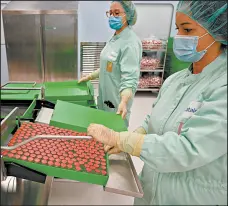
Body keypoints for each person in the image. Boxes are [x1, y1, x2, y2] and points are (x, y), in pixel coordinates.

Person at [87, 1, 227, 205]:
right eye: (178, 29)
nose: (178, 37)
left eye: (187, 30)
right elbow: (153, 119)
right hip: (151, 191)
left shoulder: (222, 88)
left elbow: (187, 149)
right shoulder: (175, 81)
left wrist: (121, 139)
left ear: (219, 32)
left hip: (190, 197)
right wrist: (134, 136)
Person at [79, 1, 142, 127]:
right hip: (105, 96)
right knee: (103, 132)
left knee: (114, 134)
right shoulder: (114, 38)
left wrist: (124, 101)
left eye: (117, 13)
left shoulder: (130, 43)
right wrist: (90, 76)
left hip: (117, 102)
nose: (113, 17)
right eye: (110, 13)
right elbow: (108, 66)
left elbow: (130, 79)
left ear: (127, 15)